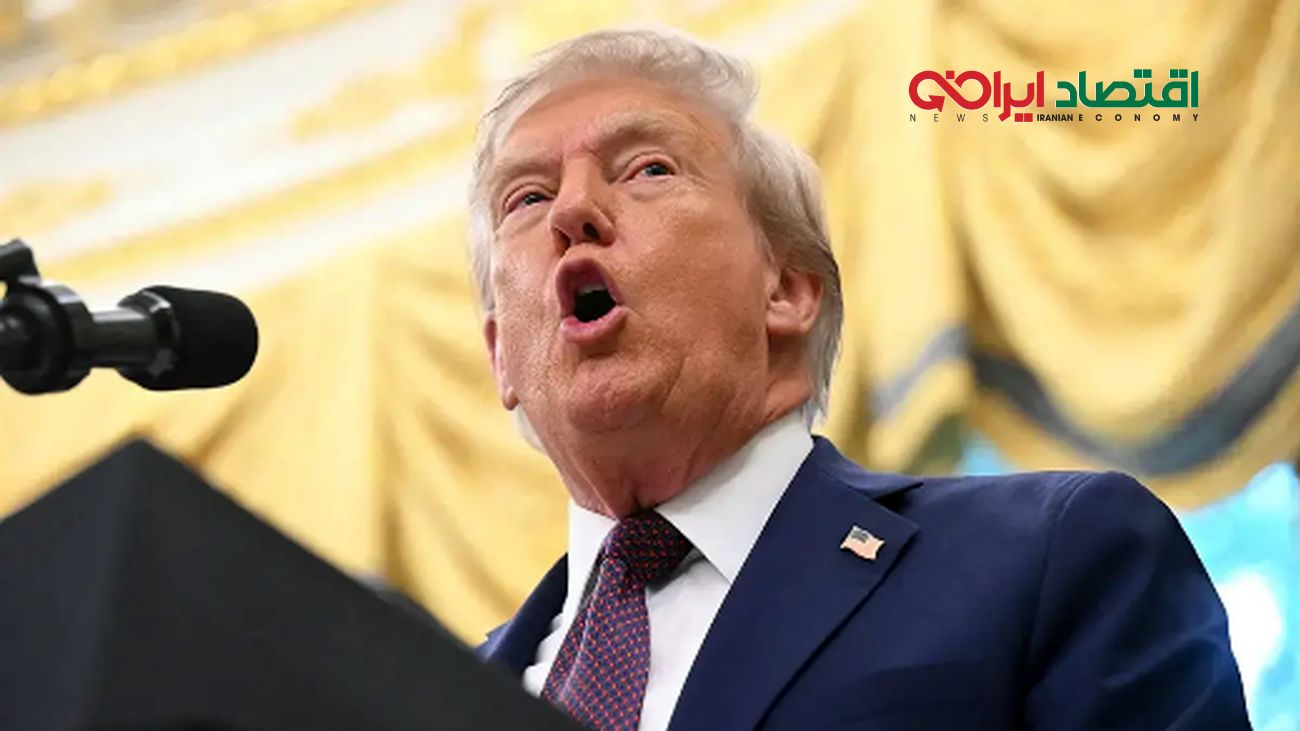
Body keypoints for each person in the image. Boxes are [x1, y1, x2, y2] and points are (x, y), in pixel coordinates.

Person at [471, 27, 1249, 731]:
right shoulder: (433, 696)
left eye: (648, 168)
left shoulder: (1055, 558)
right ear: (501, 354)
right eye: (527, 197)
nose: (573, 210)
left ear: (786, 289)